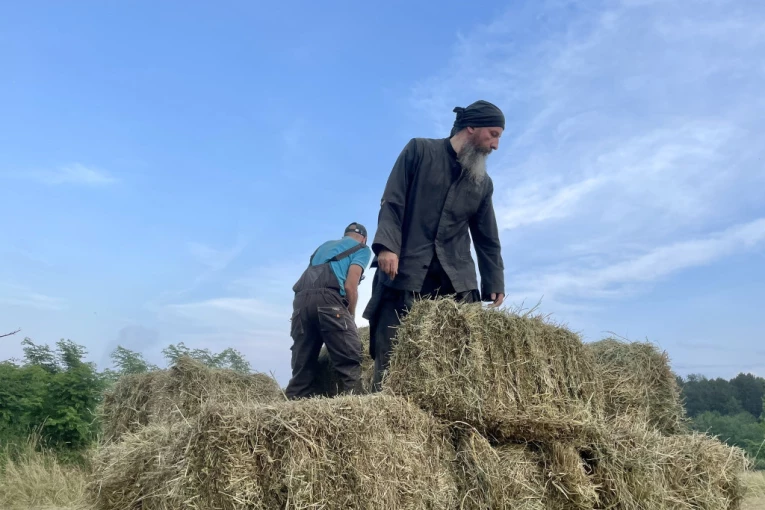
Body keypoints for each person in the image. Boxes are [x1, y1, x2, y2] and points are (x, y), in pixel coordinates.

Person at [362, 100, 507, 391]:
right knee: (391, 361)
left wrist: (494, 280)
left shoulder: (483, 183)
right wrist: (388, 247)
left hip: (455, 282)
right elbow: (393, 199)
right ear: (471, 127)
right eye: (493, 134)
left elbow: (487, 236)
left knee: (457, 370)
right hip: (405, 272)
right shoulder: (419, 150)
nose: (495, 145)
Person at [285, 222, 372, 400]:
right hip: (329, 301)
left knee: (302, 365)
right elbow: (350, 286)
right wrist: (350, 316)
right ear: (364, 239)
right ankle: (357, 406)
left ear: (344, 235)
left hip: (301, 303)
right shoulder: (362, 249)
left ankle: (293, 405)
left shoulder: (323, 247)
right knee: (349, 359)